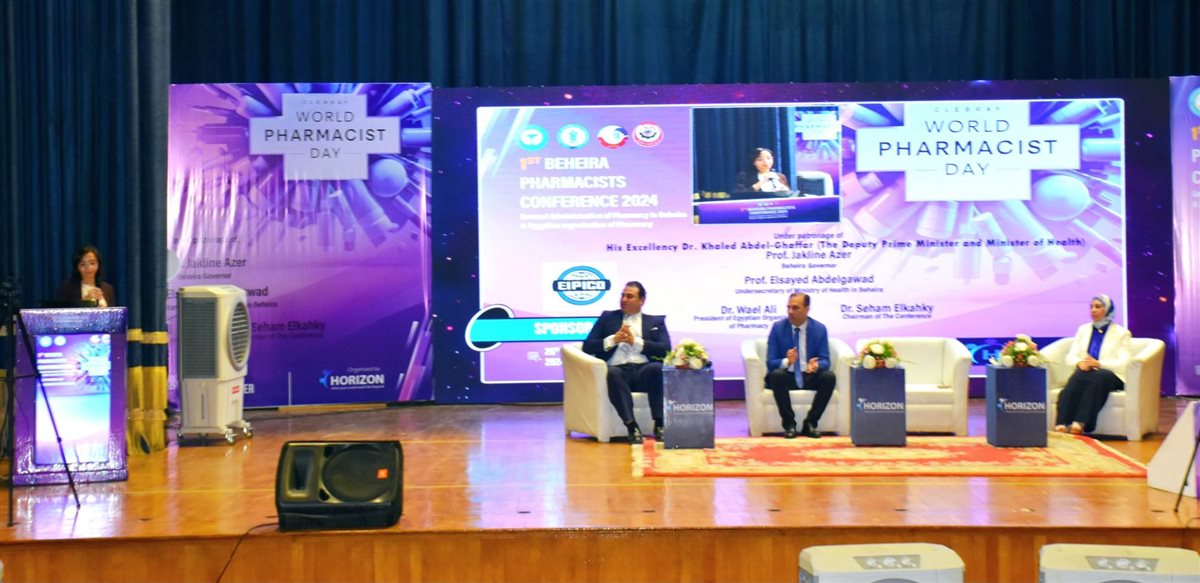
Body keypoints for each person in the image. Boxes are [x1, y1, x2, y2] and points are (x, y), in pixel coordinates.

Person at [582, 281, 670, 443]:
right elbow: (588, 346)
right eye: (622, 295)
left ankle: (659, 424)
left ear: (641, 300)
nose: (624, 299)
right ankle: (631, 426)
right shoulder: (607, 318)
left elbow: (665, 349)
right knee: (612, 373)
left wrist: (635, 342)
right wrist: (613, 340)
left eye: (629, 296)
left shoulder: (655, 322)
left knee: (656, 368)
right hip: (618, 371)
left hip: (643, 371)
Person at [1054, 294, 1132, 434]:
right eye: (1091, 307)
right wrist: (1080, 363)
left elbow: (1125, 363)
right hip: (1088, 371)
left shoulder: (1122, 333)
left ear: (1107, 310)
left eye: (1098, 307)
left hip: (1113, 375)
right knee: (1077, 377)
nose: (1093, 310)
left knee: (1099, 377)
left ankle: (1080, 422)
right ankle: (1062, 422)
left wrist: (1099, 364)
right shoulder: (1083, 330)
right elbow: (1071, 356)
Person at [764, 291, 835, 438]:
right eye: (788, 307)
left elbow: (825, 361)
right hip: (787, 376)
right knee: (776, 375)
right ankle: (789, 424)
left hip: (808, 375)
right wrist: (787, 361)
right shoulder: (778, 328)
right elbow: (770, 363)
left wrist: (816, 365)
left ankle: (810, 423)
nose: (790, 311)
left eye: (795, 308)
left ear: (807, 309)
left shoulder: (819, 329)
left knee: (829, 377)